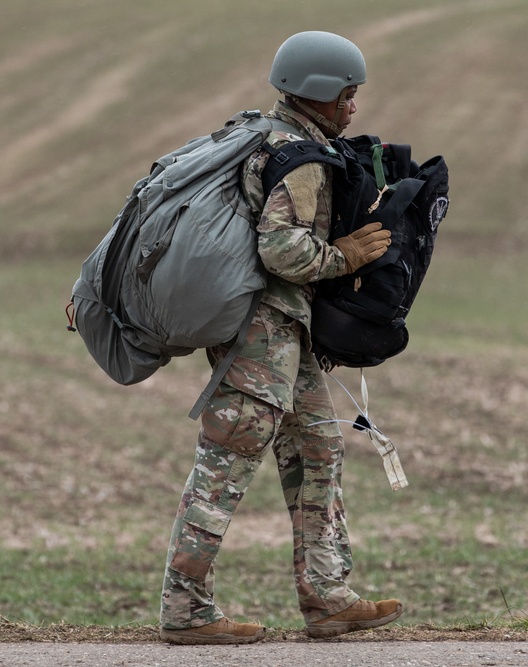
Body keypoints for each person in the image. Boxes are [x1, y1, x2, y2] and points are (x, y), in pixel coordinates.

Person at [158, 31, 404, 645]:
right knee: (226, 464)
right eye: (348, 95)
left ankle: (327, 596)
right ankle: (186, 608)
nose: (354, 107)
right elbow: (280, 247)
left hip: (282, 333)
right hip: (258, 336)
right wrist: (342, 256)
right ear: (319, 95)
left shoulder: (265, 137)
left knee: (319, 448)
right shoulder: (300, 159)